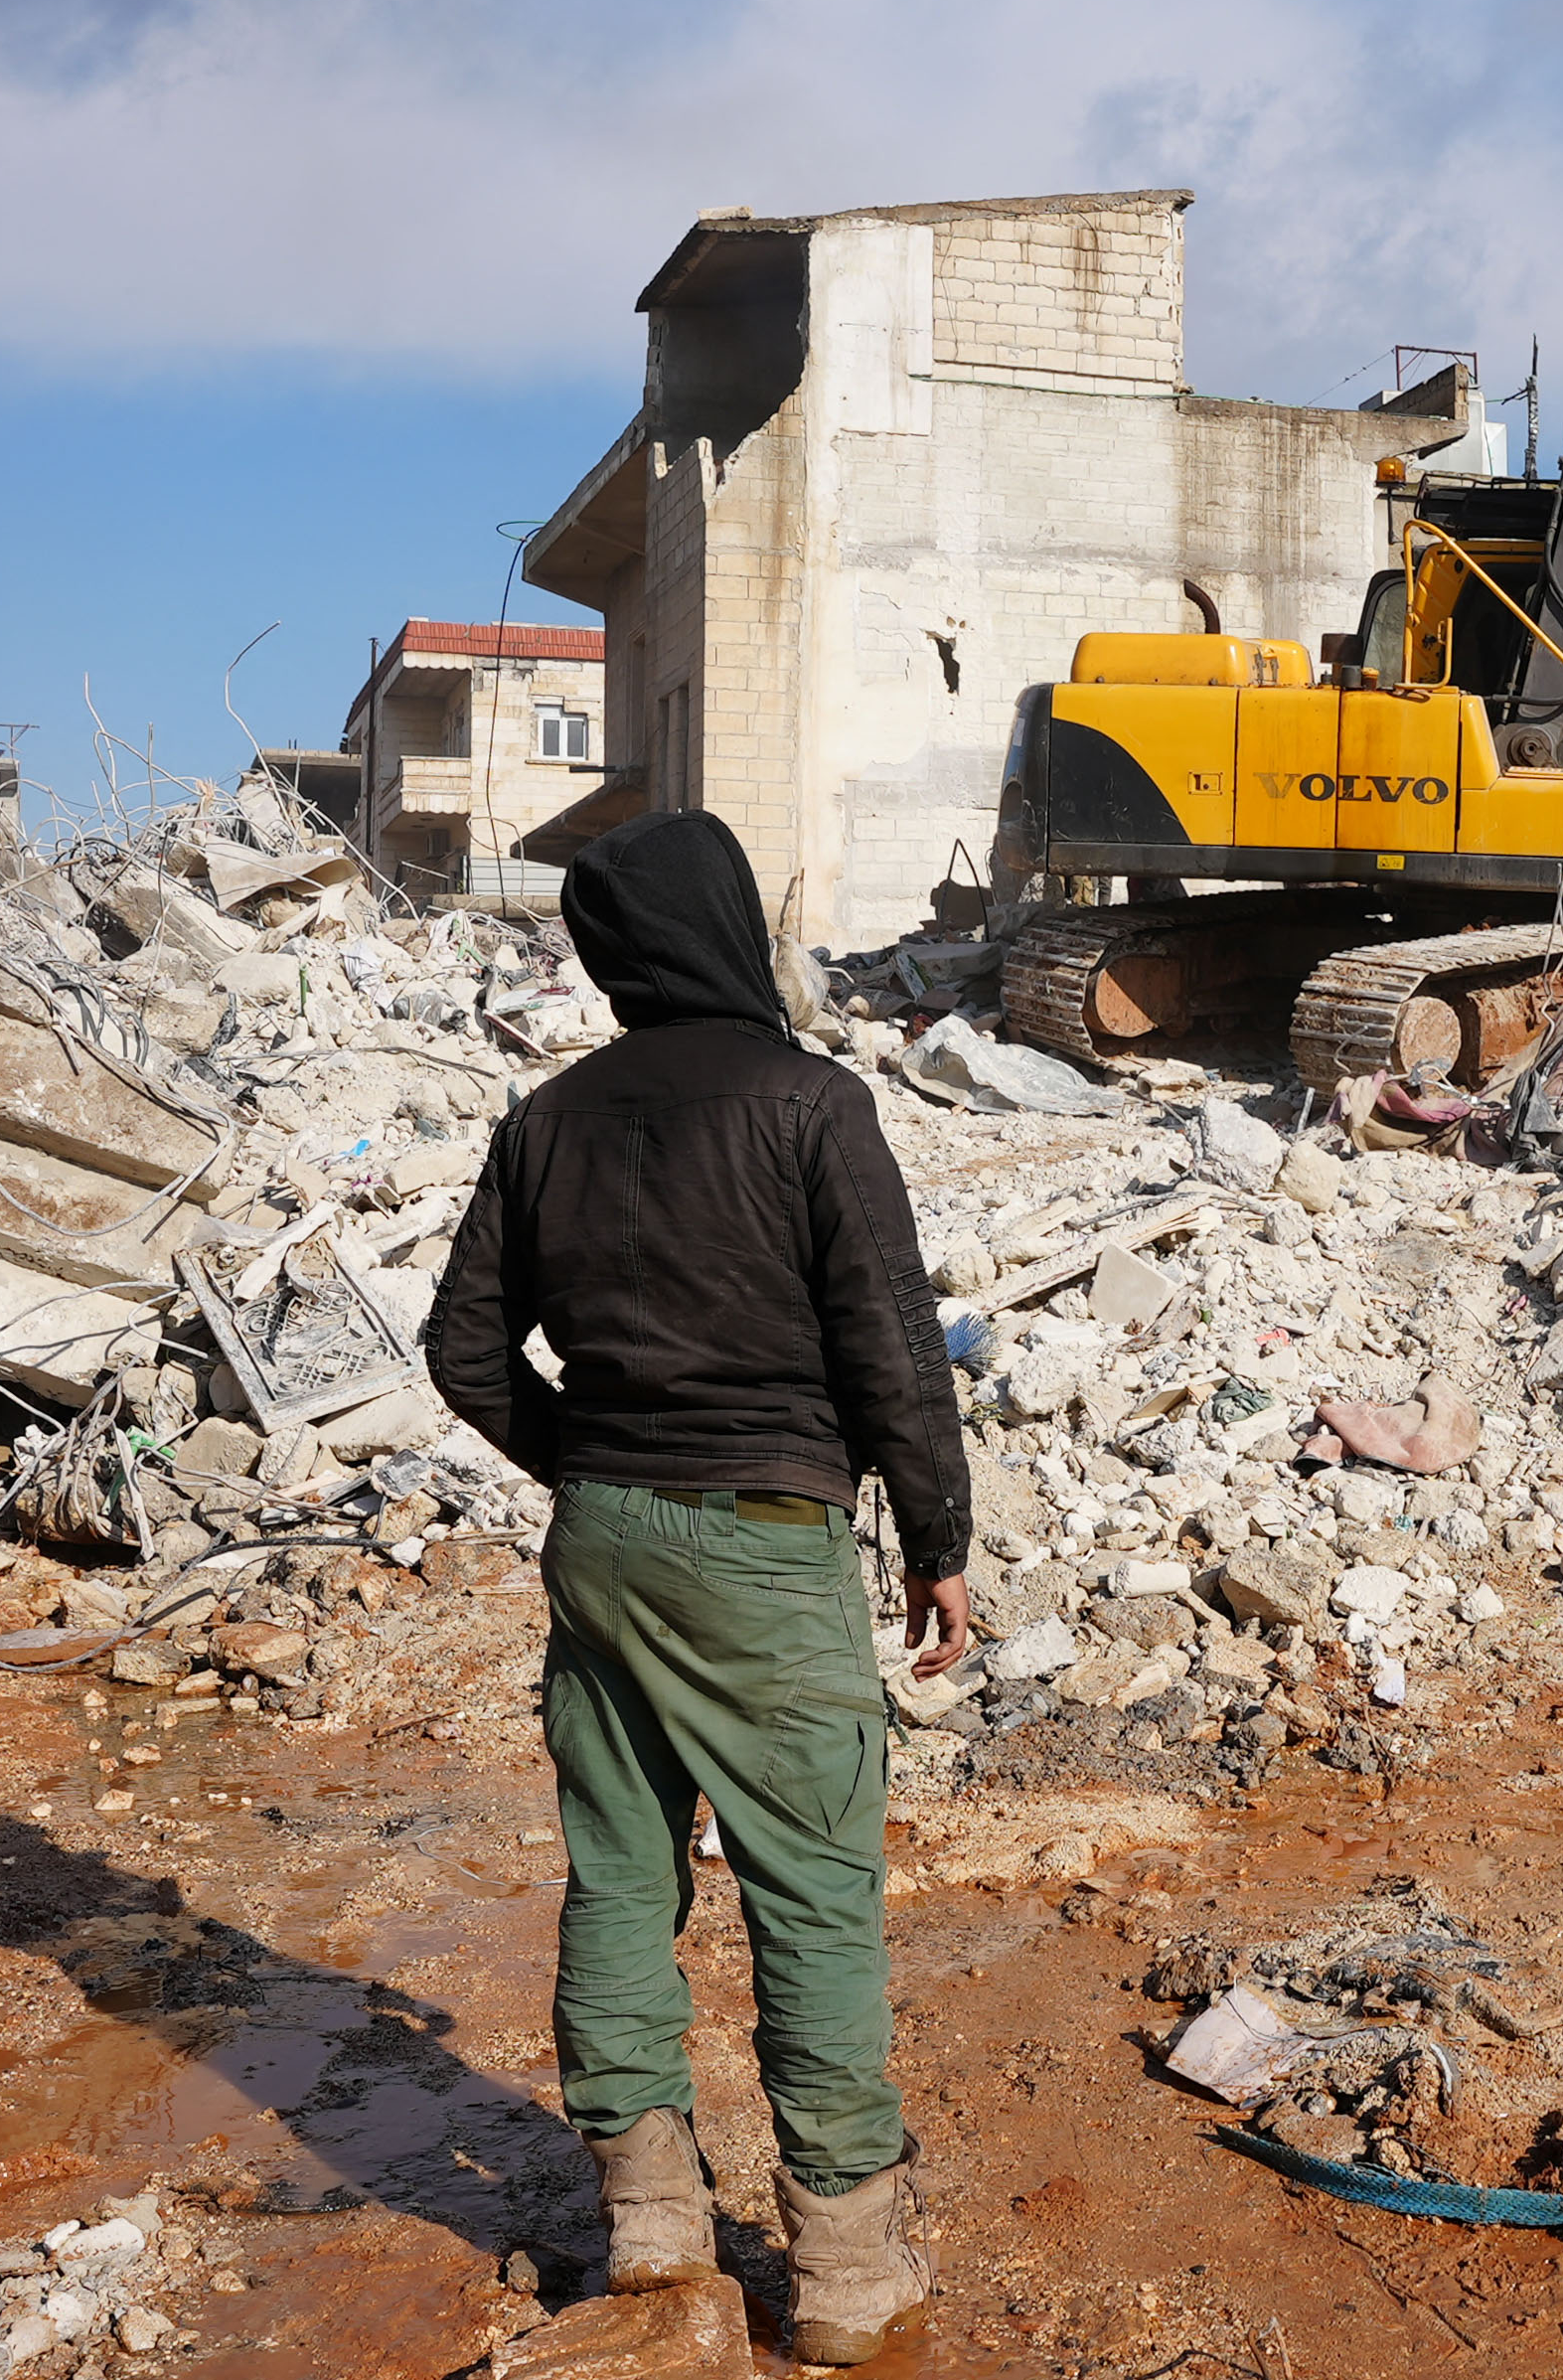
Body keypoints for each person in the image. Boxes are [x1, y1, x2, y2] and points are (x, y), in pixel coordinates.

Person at [430, 808, 971, 2366]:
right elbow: (890, 1338)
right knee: (811, 1889)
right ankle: (851, 2272)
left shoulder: (546, 1118)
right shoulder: (813, 1105)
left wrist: (587, 1463)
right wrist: (937, 1535)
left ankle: (652, 2216)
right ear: (731, 921)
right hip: (765, 1537)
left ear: (614, 948)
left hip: (601, 1542)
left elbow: (464, 1348)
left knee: (619, 1871)